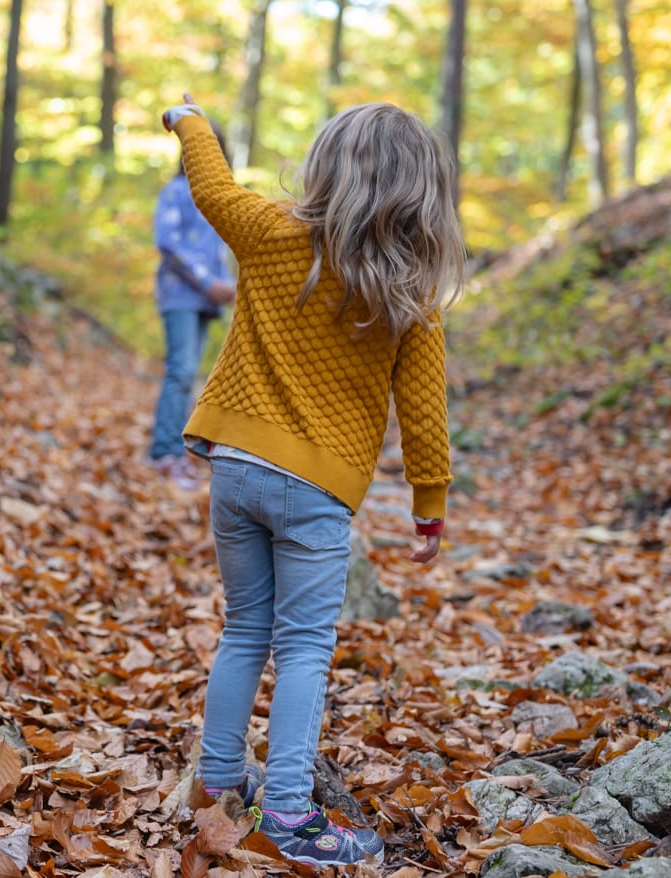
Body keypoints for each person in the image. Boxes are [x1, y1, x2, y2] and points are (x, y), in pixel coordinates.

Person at [159, 93, 465, 867]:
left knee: (243, 630)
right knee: (302, 649)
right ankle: (289, 814)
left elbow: (211, 189)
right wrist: (429, 503)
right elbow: (423, 412)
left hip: (234, 470)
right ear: (421, 194)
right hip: (316, 492)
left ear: (326, 165)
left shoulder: (270, 235)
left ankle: (215, 781)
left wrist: (189, 119)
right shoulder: (410, 294)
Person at [149, 128, 235, 490]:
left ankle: (176, 450)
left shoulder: (215, 196)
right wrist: (207, 281)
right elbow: (168, 244)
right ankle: (164, 453)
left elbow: (218, 248)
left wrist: (228, 282)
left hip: (205, 300)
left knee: (193, 373)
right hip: (180, 294)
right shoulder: (175, 192)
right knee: (181, 370)